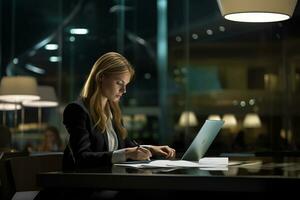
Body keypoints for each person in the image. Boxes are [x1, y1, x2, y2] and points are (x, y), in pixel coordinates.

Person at [62, 52, 176, 171]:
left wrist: (151, 149)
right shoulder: (77, 110)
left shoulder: (112, 111)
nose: (124, 90)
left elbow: (126, 147)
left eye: (126, 84)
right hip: (85, 185)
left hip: (110, 181)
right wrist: (126, 153)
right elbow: (82, 158)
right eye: (119, 83)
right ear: (101, 77)